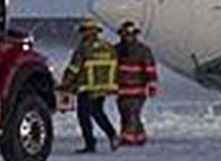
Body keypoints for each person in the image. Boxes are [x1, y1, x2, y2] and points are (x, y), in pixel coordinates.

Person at [61, 18, 120, 153]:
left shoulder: (84, 48)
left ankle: (90, 144)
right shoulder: (108, 47)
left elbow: (74, 68)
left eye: (83, 31)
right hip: (102, 88)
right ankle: (112, 135)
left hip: (87, 88)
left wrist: (65, 83)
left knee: (84, 116)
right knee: (98, 113)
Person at [115, 21, 159, 146]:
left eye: (130, 34)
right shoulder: (116, 50)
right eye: (125, 34)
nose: (127, 37)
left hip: (138, 89)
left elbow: (150, 69)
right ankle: (140, 136)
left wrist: (151, 86)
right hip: (122, 89)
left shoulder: (143, 50)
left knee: (132, 114)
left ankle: (127, 137)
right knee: (125, 114)